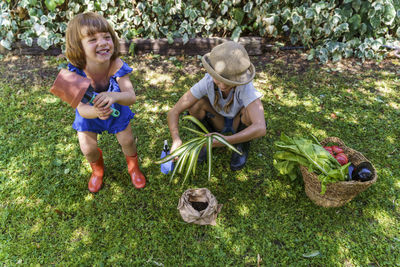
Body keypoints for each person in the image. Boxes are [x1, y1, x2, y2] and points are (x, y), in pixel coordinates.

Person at [64, 12, 145, 192]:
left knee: (128, 141)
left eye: (107, 37)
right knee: (87, 147)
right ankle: (97, 171)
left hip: (117, 107)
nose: (102, 43)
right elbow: (82, 108)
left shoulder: (115, 64)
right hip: (90, 113)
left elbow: (131, 96)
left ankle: (134, 168)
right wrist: (96, 112)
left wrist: (114, 96)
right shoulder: (73, 73)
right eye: (92, 40)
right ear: (78, 46)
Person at [167, 41, 266, 171]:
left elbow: (261, 128)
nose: (223, 86)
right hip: (218, 119)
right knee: (195, 105)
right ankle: (209, 139)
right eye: (219, 80)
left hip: (238, 122)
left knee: (249, 113)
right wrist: (176, 139)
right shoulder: (207, 82)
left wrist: (227, 140)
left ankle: (240, 145)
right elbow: (173, 112)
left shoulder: (245, 87)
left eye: (229, 82)